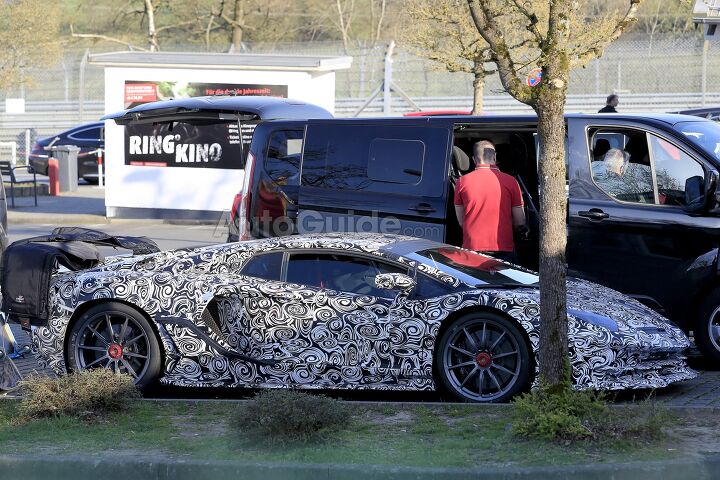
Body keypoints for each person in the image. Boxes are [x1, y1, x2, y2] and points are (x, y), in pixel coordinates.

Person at [454, 140, 526, 262]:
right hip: (504, 248)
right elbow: (520, 221)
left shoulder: (462, 182)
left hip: (473, 248)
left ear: (473, 159)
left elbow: (461, 221)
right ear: (495, 157)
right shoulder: (511, 181)